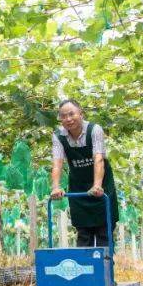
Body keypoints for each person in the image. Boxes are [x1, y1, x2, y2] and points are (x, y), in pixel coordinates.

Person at [49, 99, 119, 247]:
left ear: (81, 114)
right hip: (79, 189)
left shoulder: (94, 130)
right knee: (83, 234)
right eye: (63, 116)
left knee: (104, 234)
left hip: (101, 187)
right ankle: (84, 268)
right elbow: (57, 164)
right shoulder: (58, 136)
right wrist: (55, 187)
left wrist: (97, 186)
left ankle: (104, 268)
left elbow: (98, 159)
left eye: (71, 114)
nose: (68, 119)